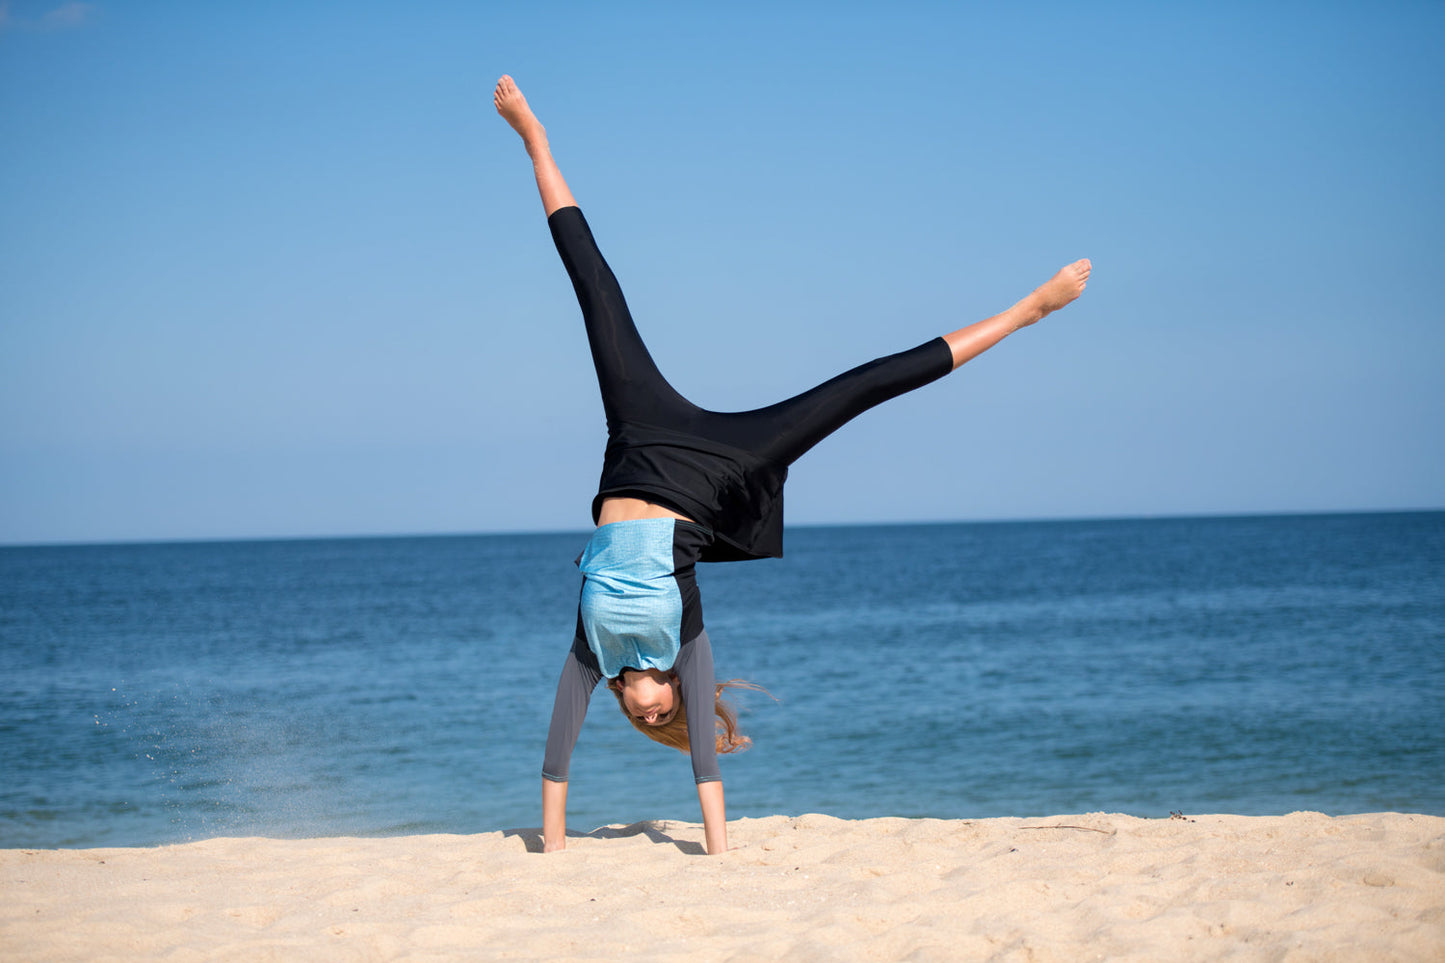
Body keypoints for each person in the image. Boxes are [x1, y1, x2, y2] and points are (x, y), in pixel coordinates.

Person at [493, 75, 1090, 855]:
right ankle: (1025, 311)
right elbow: (707, 765)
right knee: (860, 388)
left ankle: (534, 138)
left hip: (637, 440)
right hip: (717, 473)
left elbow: (555, 753)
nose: (649, 711)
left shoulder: (591, 653)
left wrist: (554, 847)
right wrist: (718, 849)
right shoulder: (688, 638)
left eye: (643, 717)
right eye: (662, 713)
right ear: (679, 689)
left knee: (593, 287)